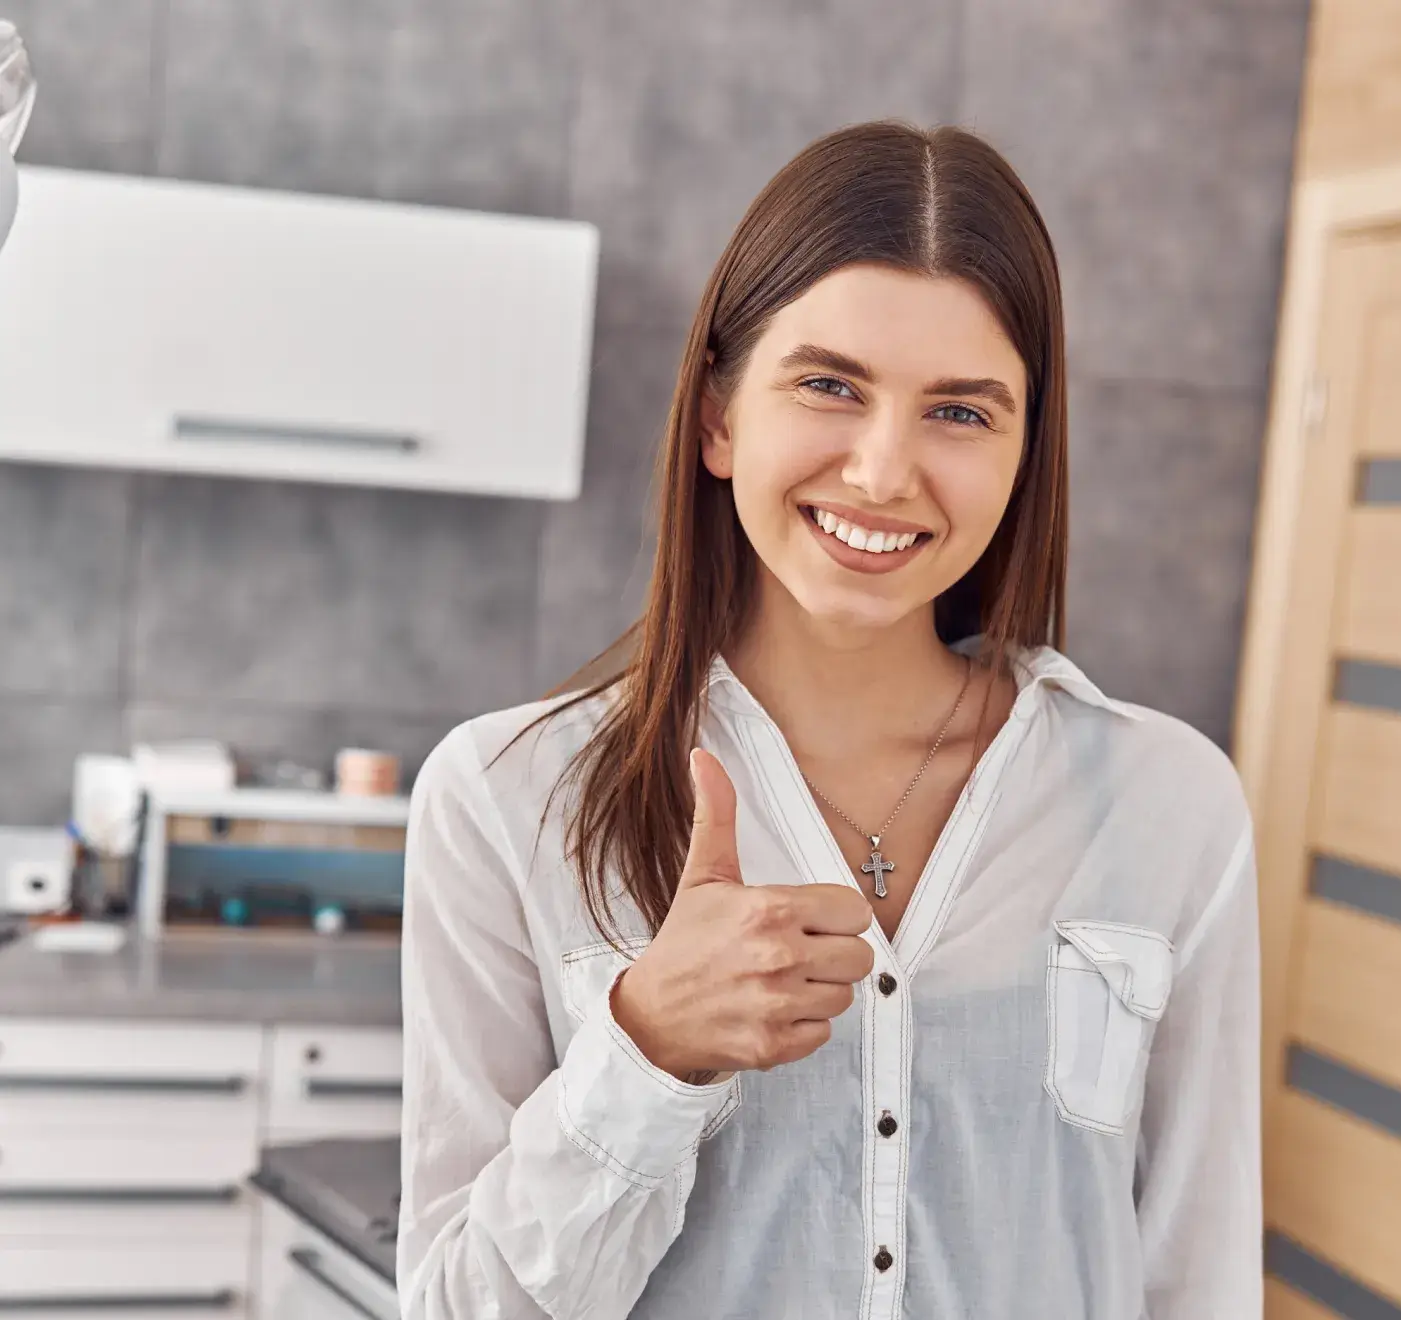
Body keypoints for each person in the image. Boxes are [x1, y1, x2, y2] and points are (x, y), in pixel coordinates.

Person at [396, 120, 1261, 1319]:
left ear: (1022, 453)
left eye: (960, 412)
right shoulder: (504, 797)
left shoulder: (1166, 806)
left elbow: (1192, 1275)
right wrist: (645, 1051)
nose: (879, 471)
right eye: (827, 386)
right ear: (716, 417)